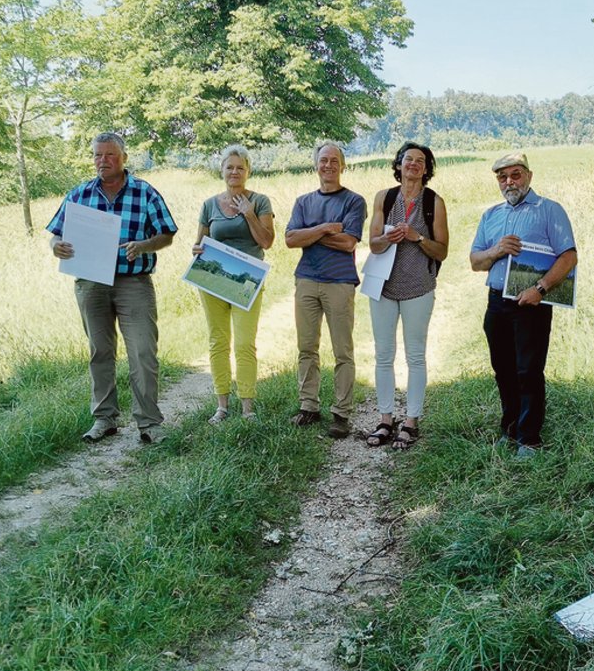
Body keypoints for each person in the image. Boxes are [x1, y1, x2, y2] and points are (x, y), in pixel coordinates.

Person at [47, 132, 178, 444]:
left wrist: (144, 245)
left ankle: (149, 423)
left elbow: (168, 234)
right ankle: (105, 419)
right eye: (97, 155)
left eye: (109, 155)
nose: (102, 161)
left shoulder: (145, 192)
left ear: (124, 158)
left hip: (133, 282)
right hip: (91, 282)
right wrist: (57, 247)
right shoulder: (79, 195)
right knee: (100, 351)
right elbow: (55, 233)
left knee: (143, 350)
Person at [469, 152, 577, 458]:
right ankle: (510, 428)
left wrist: (540, 289)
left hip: (531, 303)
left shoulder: (549, 210)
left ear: (528, 176)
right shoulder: (490, 215)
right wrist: (496, 250)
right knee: (502, 369)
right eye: (502, 177)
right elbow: (475, 261)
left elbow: (569, 256)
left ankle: (529, 439)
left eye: (515, 175)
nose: (509, 182)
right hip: (496, 302)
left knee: (528, 370)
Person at [365, 141, 450, 450]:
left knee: (415, 356)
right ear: (398, 165)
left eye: (420, 161)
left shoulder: (434, 202)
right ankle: (386, 419)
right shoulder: (384, 198)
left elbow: (442, 250)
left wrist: (418, 237)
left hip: (418, 287)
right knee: (383, 355)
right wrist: (387, 237)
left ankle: (411, 422)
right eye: (407, 159)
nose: (413, 164)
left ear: (427, 169)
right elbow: (373, 245)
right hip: (383, 287)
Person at [285, 141, 367, 439]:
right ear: (316, 165)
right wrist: (324, 229)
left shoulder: (353, 201)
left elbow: (348, 243)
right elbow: (290, 240)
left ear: (342, 166)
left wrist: (309, 233)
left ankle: (341, 413)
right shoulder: (303, 201)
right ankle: (309, 406)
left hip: (340, 282)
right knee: (307, 347)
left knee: (342, 350)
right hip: (306, 280)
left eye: (334, 160)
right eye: (323, 160)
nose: (328, 165)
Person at [192, 144, 275, 424]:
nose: (235, 172)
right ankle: (222, 405)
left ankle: (247, 407)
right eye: (230, 167)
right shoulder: (209, 205)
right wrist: (197, 250)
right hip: (213, 279)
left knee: (243, 343)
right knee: (218, 341)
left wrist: (249, 213)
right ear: (222, 171)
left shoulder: (261, 201)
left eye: (240, 167)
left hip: (246, 279)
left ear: (248, 171)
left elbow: (266, 242)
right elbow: (200, 241)